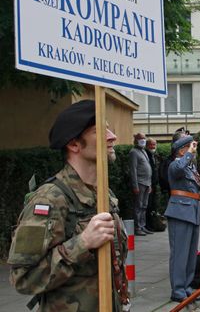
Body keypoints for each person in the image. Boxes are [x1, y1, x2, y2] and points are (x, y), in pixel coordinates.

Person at [8, 100, 130, 311]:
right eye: (99, 131)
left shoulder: (104, 194)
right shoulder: (50, 199)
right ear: (74, 145)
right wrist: (83, 243)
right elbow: (24, 278)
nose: (112, 136)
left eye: (109, 128)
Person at [165, 136, 200, 303]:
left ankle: (187, 286)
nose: (193, 149)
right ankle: (177, 289)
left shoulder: (191, 167)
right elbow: (178, 169)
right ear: (181, 150)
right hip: (180, 211)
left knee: (191, 254)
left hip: (192, 210)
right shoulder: (175, 164)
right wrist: (189, 154)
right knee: (180, 253)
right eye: (189, 146)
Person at [128, 132, 153, 236]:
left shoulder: (143, 151)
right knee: (138, 206)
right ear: (136, 140)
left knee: (144, 206)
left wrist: (150, 184)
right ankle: (137, 227)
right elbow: (133, 170)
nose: (143, 140)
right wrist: (135, 186)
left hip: (146, 183)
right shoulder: (133, 152)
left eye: (144, 138)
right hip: (140, 183)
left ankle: (142, 226)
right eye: (141, 138)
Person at [145, 138, 159, 231]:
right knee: (147, 206)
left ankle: (151, 224)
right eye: (151, 144)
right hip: (148, 184)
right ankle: (147, 225)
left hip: (153, 184)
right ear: (147, 145)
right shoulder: (146, 154)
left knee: (152, 205)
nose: (153, 147)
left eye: (154, 144)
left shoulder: (154, 155)